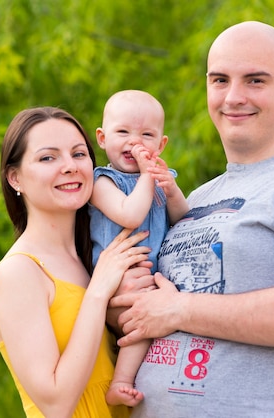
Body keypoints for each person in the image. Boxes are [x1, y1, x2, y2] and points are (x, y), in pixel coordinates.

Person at [109, 21, 274, 417]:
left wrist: (179, 309)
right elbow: (148, 314)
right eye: (220, 80)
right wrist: (121, 306)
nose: (233, 97)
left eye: (254, 80)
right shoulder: (195, 199)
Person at [0, 106, 153, 418]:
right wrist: (99, 292)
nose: (69, 167)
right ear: (15, 178)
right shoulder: (18, 273)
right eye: (48, 158)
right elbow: (56, 403)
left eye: (78, 154)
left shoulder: (95, 257)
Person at [88, 90, 189, 407]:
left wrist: (171, 192)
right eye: (123, 132)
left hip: (148, 282)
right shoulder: (101, 182)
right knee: (140, 323)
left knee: (148, 320)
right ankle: (120, 382)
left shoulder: (160, 179)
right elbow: (130, 214)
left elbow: (184, 220)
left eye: (147, 134)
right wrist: (148, 176)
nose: (135, 141)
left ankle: (130, 381)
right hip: (117, 283)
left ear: (161, 145)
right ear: (103, 138)